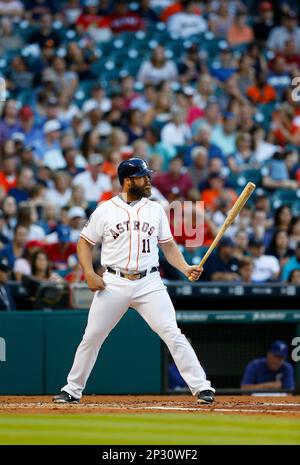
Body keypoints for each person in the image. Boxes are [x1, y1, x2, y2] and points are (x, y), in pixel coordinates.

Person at [53, 158, 215, 405]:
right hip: (114, 281)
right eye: (142, 176)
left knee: (172, 332)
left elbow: (169, 246)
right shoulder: (105, 209)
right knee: (92, 336)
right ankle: (72, 389)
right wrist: (89, 273)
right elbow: (84, 242)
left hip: (149, 282)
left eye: (147, 175)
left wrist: (184, 268)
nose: (148, 180)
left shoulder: (156, 209)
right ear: (128, 181)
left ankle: (202, 387)